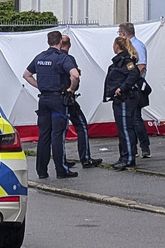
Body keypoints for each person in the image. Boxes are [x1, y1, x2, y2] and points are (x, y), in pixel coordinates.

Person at [22, 31, 80, 179]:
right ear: (60, 41)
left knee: (44, 135)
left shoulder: (40, 57)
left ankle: (41, 171)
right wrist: (71, 89)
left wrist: (40, 86)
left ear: (48, 41)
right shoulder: (62, 58)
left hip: (43, 100)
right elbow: (75, 75)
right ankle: (61, 170)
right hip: (57, 100)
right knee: (57, 135)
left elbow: (26, 75)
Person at [60, 35, 103, 169]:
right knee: (81, 126)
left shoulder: (50, 58)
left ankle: (61, 160)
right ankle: (85, 158)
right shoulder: (68, 59)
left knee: (59, 131)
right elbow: (75, 76)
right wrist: (72, 89)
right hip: (68, 98)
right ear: (69, 45)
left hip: (54, 98)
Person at [103, 37, 141, 170]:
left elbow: (134, 74)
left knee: (125, 128)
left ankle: (129, 158)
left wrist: (122, 88)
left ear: (117, 46)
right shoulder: (119, 61)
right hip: (119, 99)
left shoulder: (127, 61)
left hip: (125, 98)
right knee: (122, 129)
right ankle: (123, 156)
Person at [118, 22, 151, 158]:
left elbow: (141, 66)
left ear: (123, 33)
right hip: (128, 85)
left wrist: (131, 80)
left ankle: (144, 147)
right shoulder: (129, 46)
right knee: (131, 118)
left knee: (136, 118)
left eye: (119, 33)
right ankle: (134, 148)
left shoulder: (137, 46)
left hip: (135, 86)